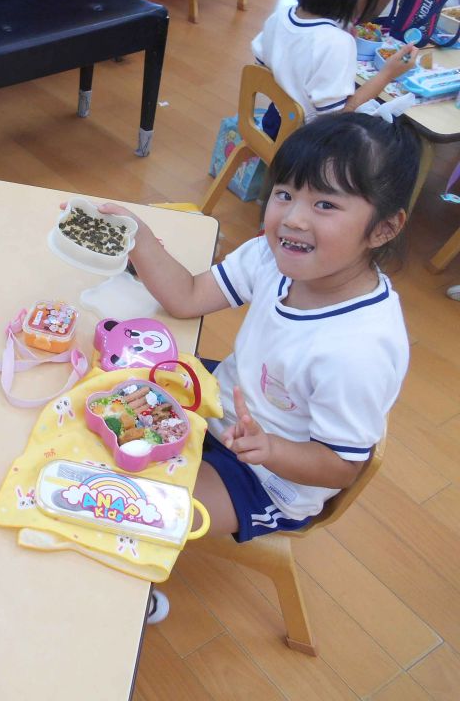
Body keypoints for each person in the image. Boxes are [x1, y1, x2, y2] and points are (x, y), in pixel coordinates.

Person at [92, 113, 418, 621]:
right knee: (100, 392)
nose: (293, 219)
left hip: (267, 477)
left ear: (384, 228)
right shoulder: (272, 257)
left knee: (130, 513)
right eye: (285, 193)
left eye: (325, 204)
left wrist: (272, 450)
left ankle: (130, 598)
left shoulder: (357, 350)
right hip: (223, 402)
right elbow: (188, 296)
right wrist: (142, 240)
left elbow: (342, 465)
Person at [253, 0, 425, 138]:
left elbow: (262, 65)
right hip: (302, 142)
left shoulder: (280, 17)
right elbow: (337, 119)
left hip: (273, 122)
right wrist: (387, 74)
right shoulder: (337, 43)